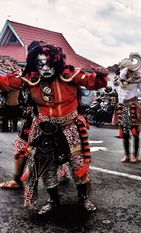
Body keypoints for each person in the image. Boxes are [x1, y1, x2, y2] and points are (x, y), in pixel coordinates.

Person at [0, 40, 108, 214]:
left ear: (56, 62)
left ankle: (84, 198)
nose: (44, 68)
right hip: (44, 128)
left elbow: (92, 82)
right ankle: (53, 201)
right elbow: (6, 82)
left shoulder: (69, 73)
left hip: (70, 127)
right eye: (40, 64)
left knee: (77, 164)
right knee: (46, 166)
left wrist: (100, 76)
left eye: (48, 63)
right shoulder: (30, 76)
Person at [113, 52, 141, 163]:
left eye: (126, 68)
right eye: (123, 68)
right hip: (123, 106)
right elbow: (119, 84)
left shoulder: (138, 78)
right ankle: (126, 155)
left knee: (135, 132)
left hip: (133, 105)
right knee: (125, 132)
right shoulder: (120, 79)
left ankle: (135, 156)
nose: (124, 70)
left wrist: (136, 94)